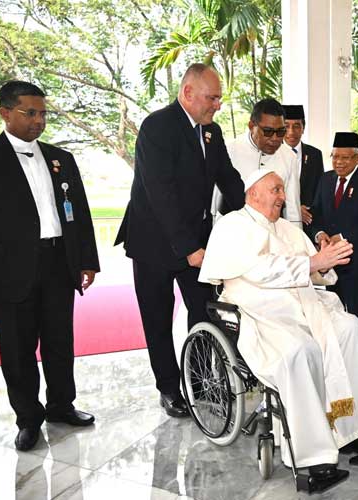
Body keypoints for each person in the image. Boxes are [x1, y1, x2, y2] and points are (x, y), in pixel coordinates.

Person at [198, 169, 358, 488]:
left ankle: (356, 433)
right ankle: (314, 459)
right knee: (300, 352)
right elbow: (260, 270)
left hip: (304, 306)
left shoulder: (288, 229)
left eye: (282, 190)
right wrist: (314, 263)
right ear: (253, 194)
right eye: (275, 189)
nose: (282, 196)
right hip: (260, 312)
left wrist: (326, 262)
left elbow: (313, 272)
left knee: (351, 329)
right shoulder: (232, 226)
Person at [0, 80, 100, 451]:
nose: (39, 120)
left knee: (58, 340)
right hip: (8, 268)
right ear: (5, 113)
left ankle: (61, 405)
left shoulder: (60, 158)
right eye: (30, 113)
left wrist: (86, 260)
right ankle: (28, 418)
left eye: (42, 113)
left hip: (57, 262)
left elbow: (78, 215)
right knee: (18, 348)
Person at [115, 64, 245, 418]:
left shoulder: (211, 133)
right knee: (157, 319)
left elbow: (229, 180)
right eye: (212, 97)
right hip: (154, 243)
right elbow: (161, 195)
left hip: (199, 242)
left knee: (204, 312)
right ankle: (169, 389)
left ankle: (202, 382)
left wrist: (256, 220)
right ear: (188, 93)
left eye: (219, 98)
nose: (217, 104)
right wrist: (187, 247)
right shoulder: (158, 127)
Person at [309, 132, 358, 327]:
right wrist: (319, 234)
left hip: (357, 264)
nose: (338, 162)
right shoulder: (325, 179)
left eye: (345, 157)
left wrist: (342, 237)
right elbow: (316, 213)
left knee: (356, 316)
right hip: (330, 263)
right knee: (333, 314)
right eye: (335, 156)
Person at [219, 98, 302, 227]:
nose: (275, 138)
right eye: (268, 132)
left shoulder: (289, 156)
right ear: (252, 126)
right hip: (235, 229)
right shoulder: (230, 150)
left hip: (272, 232)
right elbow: (216, 202)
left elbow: (293, 209)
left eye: (280, 132)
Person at [282, 104, 324, 233]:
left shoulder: (315, 154)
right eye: (286, 126)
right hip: (281, 222)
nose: (291, 132)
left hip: (309, 223)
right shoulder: (272, 154)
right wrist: (294, 208)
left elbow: (319, 190)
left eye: (296, 126)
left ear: (303, 128)